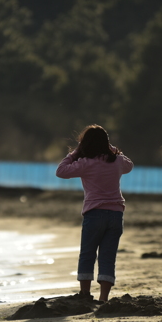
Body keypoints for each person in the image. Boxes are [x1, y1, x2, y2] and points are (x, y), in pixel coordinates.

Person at [56, 125, 134, 303]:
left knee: (88, 253)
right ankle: (103, 298)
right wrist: (112, 149)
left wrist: (75, 152)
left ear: (86, 145)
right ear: (106, 143)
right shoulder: (117, 161)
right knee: (108, 256)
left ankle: (84, 294)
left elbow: (60, 171)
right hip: (115, 214)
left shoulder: (85, 163)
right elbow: (130, 165)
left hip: (94, 214)